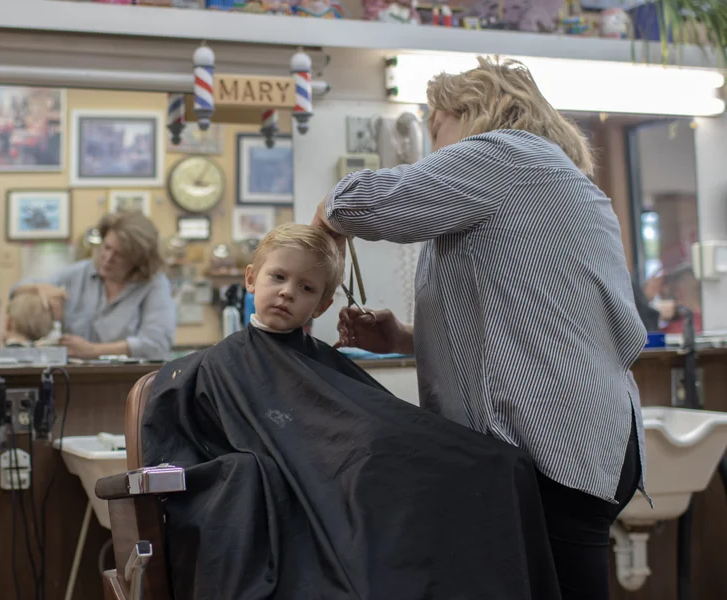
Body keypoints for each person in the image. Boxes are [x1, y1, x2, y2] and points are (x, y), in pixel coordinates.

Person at [312, 56, 646, 599]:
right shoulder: (555, 176)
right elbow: (520, 326)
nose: (434, 150)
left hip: (555, 441)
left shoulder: (502, 156)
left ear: (464, 111)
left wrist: (322, 221)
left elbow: (365, 201)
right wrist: (403, 338)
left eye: (435, 130)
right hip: (593, 437)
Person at [140, 222, 562, 600]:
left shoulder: (321, 360)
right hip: (328, 480)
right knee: (374, 474)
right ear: (251, 279)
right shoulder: (220, 365)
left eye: (306, 288)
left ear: (321, 306)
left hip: (357, 464)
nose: (288, 291)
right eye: (278, 277)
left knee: (499, 465)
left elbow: (371, 420)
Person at [12, 211, 175, 360]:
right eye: (107, 247)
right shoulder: (78, 274)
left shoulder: (154, 285)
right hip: (75, 379)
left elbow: (156, 345)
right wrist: (38, 288)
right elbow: (16, 290)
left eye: (120, 255)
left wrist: (94, 350)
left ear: (138, 260)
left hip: (129, 381)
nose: (108, 258)